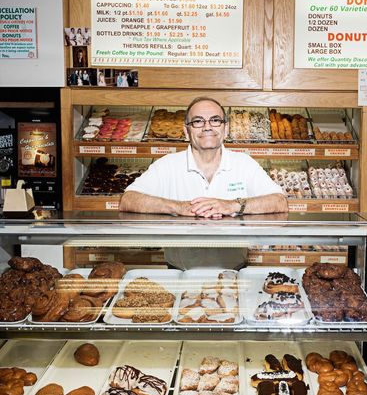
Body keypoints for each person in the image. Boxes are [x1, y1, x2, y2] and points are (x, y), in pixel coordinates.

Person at [119, 96, 288, 268]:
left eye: (215, 120)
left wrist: (232, 205)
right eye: (198, 121)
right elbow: (128, 200)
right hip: (180, 274)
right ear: (186, 131)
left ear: (225, 128)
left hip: (233, 274)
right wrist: (178, 207)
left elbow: (279, 202)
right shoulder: (167, 165)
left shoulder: (244, 163)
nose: (207, 127)